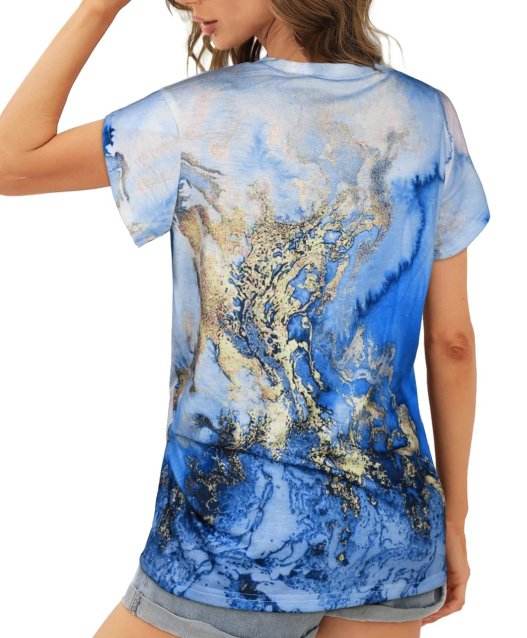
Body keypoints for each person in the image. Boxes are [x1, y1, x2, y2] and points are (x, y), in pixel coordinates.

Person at [0, 1, 491, 636]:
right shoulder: (428, 117)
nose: (189, 3)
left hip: (230, 543)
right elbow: (452, 342)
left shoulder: (197, 114)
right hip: (395, 538)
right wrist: (453, 520)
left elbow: (11, 161)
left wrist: (100, 6)